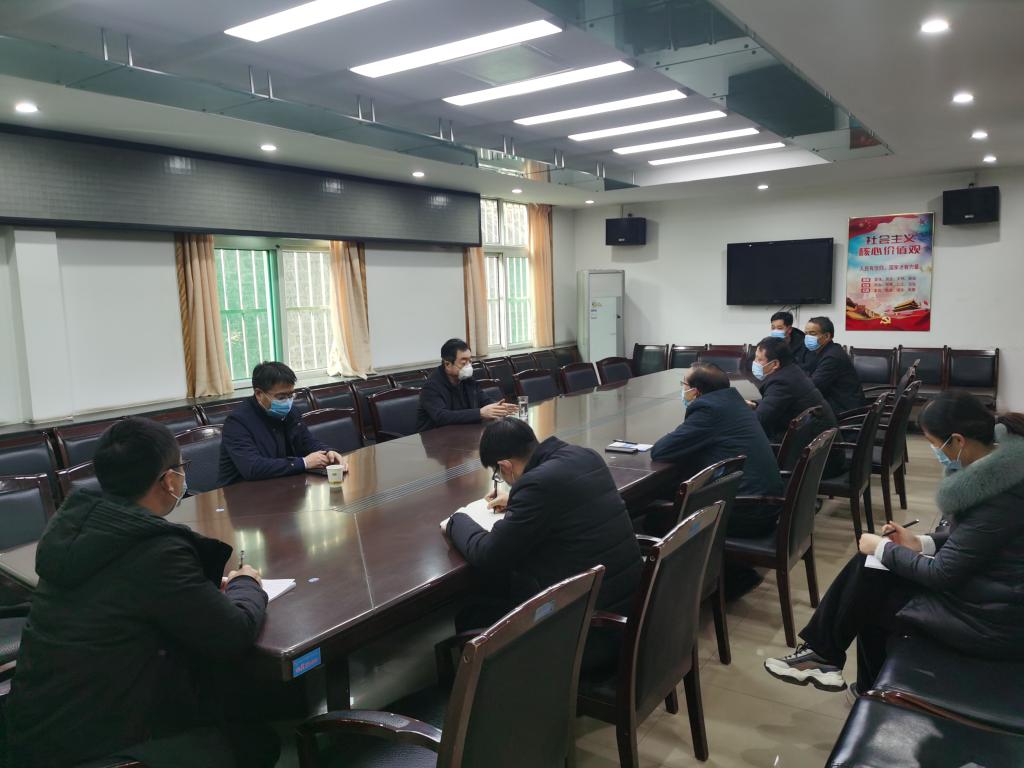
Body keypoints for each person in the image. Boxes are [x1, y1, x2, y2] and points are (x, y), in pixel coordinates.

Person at [6, 418, 276, 768]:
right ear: (169, 480)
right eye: (182, 467)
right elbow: (233, 632)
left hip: (35, 733)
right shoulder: (155, 551)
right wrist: (246, 583)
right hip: (102, 747)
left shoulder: (77, 528)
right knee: (258, 743)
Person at [763, 392, 1024, 694]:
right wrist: (920, 542)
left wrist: (881, 547)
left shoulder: (1000, 496)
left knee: (870, 592)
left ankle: (834, 664)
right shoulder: (1004, 472)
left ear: (957, 441)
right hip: (987, 592)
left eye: (933, 443)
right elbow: (976, 540)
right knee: (871, 571)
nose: (935, 452)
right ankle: (827, 659)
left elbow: (942, 573)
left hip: (992, 621)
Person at [441, 418, 642, 669]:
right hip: (630, 614)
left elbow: (488, 554)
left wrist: (457, 519)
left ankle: (499, 690)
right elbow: (561, 498)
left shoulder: (536, 485)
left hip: (588, 636)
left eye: (498, 474)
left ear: (505, 466)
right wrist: (517, 500)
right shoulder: (584, 456)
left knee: (473, 614)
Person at [651, 363, 784, 538]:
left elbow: (660, 451)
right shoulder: (734, 402)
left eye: (684, 384)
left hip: (747, 513)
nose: (682, 389)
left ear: (695, 392)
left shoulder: (709, 410)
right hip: (766, 504)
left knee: (652, 517)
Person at [218, 361, 346, 486]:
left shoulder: (291, 412)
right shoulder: (237, 422)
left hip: (283, 485)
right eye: (281, 397)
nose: (287, 402)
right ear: (259, 394)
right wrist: (304, 463)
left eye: (291, 395)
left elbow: (307, 441)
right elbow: (253, 468)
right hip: (243, 492)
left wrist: (328, 452)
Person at [749, 336, 838, 447]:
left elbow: (760, 420)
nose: (755, 363)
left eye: (759, 359)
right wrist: (756, 404)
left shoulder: (781, 382)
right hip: (820, 444)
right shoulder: (791, 371)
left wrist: (739, 414)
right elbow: (777, 402)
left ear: (775, 364)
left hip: (813, 449)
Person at [416, 338, 518, 431]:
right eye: (464, 363)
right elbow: (442, 416)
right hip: (436, 438)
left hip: (464, 433)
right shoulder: (431, 386)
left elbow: (484, 400)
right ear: (447, 364)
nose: (468, 366)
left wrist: (497, 407)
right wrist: (480, 413)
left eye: (470, 361)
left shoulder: (467, 379)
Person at [800, 316, 865, 417]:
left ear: (827, 336)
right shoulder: (822, 351)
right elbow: (805, 371)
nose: (807, 338)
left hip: (844, 410)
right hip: (833, 402)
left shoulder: (832, 356)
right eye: (806, 334)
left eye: (812, 334)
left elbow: (814, 386)